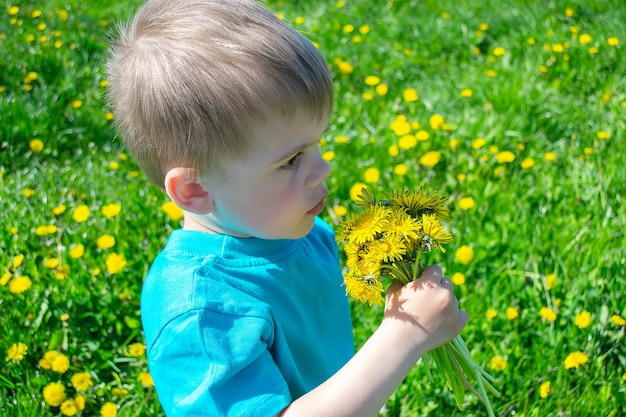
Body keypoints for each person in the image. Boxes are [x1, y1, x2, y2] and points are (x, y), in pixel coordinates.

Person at [106, 0, 468, 415]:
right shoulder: (201, 313)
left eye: (318, 144)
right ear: (193, 191)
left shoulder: (304, 233)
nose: (323, 168)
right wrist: (405, 336)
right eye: (291, 161)